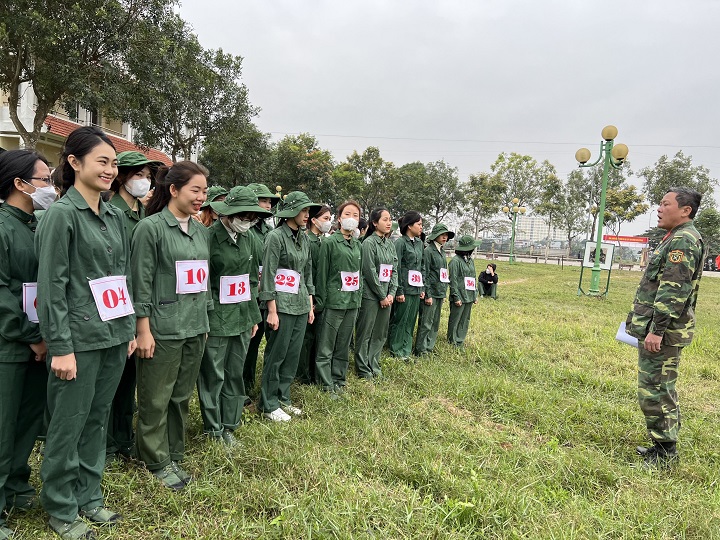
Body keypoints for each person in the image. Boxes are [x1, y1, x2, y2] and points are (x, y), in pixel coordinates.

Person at [35, 126, 137, 539]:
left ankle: (88, 496)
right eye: (102, 161)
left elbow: (123, 277)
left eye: (114, 163)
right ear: (74, 163)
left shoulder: (115, 216)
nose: (110, 170)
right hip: (77, 341)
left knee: (96, 420)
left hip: (113, 337)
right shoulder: (61, 216)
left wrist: (129, 327)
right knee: (68, 423)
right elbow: (51, 287)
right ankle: (60, 506)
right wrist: (60, 347)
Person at [131, 161, 211, 490]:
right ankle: (154, 458)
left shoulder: (201, 231)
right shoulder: (150, 229)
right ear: (174, 189)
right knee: (155, 397)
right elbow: (141, 283)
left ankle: (174, 452)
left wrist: (204, 319)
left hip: (194, 326)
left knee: (180, 396)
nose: (201, 197)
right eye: (195, 190)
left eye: (204, 191)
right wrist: (143, 330)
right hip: (162, 327)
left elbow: (203, 280)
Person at [625, 187, 704, 466]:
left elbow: (673, 292)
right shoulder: (675, 238)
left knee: (656, 388)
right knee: (659, 386)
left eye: (665, 203)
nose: (659, 208)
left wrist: (656, 330)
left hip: (664, 332)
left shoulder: (683, 241)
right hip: (661, 329)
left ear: (685, 210)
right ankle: (662, 444)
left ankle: (665, 453)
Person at [0, 150, 52, 540]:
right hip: (10, 346)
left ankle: (17, 487)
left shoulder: (37, 226)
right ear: (20, 184)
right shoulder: (2, 227)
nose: (50, 187)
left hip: (38, 343)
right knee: (2, 427)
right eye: (44, 180)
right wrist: (31, 336)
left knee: (27, 421)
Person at [197, 187, 271, 447]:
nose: (248, 222)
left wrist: (253, 316)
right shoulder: (206, 238)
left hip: (241, 315)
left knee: (234, 373)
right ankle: (213, 428)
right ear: (227, 214)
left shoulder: (251, 239)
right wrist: (204, 318)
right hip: (216, 316)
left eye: (253, 218)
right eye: (243, 216)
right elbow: (202, 282)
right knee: (213, 374)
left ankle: (230, 423)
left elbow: (252, 280)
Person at [106, 151, 163, 463]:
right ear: (122, 177)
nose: (145, 181)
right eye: (138, 174)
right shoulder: (111, 212)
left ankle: (123, 438)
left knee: (129, 380)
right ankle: (107, 443)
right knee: (111, 383)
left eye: (147, 175)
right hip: (116, 304)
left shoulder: (143, 214)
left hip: (138, 305)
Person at [258, 191, 319, 421]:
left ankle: (283, 398)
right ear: (291, 211)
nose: (307, 215)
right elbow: (268, 274)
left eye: (308, 211)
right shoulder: (275, 237)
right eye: (303, 210)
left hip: (301, 304)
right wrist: (271, 310)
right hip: (281, 306)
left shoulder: (304, 237)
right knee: (277, 354)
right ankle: (268, 403)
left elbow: (308, 272)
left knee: (292, 355)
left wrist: (310, 304)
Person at [314, 201, 363, 397]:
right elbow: (322, 275)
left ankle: (339, 380)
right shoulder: (329, 243)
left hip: (352, 302)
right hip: (333, 301)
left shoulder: (358, 245)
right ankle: (325, 383)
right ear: (340, 217)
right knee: (327, 345)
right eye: (348, 214)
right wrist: (321, 301)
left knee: (342, 345)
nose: (352, 218)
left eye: (356, 215)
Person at [242, 183, 281, 408]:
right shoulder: (246, 228)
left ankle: (253, 381)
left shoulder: (268, 231)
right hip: (249, 292)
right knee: (248, 343)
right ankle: (242, 385)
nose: (267, 205)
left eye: (270, 202)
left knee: (259, 341)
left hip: (267, 293)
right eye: (264, 201)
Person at [354, 208, 398, 380]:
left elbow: (394, 270)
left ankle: (375, 364)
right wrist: (381, 295)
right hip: (371, 295)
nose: (388, 223)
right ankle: (363, 367)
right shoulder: (368, 243)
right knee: (366, 332)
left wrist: (391, 293)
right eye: (385, 219)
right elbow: (369, 271)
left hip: (387, 295)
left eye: (390, 219)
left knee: (380, 333)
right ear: (374, 223)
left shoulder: (390, 244)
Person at [296, 205, 332, 385]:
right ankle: (303, 374)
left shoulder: (324, 241)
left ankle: (313, 370)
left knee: (317, 337)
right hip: (309, 295)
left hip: (322, 295)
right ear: (313, 220)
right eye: (325, 218)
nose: (328, 222)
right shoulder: (306, 240)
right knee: (306, 338)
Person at [388, 211, 425, 360]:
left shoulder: (420, 243)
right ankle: (396, 350)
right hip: (404, 288)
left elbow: (422, 266)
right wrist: (399, 290)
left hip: (416, 289)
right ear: (410, 226)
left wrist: (422, 287)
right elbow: (396, 267)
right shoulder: (400, 243)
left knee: (410, 320)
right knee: (400, 319)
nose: (421, 227)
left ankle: (406, 350)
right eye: (419, 224)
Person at [415, 223, 454, 356]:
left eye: (446, 235)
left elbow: (443, 273)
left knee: (435, 322)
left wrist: (443, 292)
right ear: (435, 236)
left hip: (440, 291)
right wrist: (428, 294)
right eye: (442, 235)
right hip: (431, 291)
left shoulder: (442, 252)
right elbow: (424, 273)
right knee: (426, 322)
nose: (444, 237)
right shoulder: (428, 251)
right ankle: (421, 349)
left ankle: (429, 347)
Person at [448, 236, 481, 347]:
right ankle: (452, 340)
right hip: (459, 295)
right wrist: (455, 296)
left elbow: (473, 277)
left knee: (465, 319)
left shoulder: (470, 261)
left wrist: (475, 294)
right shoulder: (455, 261)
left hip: (469, 295)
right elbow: (453, 280)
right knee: (455, 319)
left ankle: (460, 340)